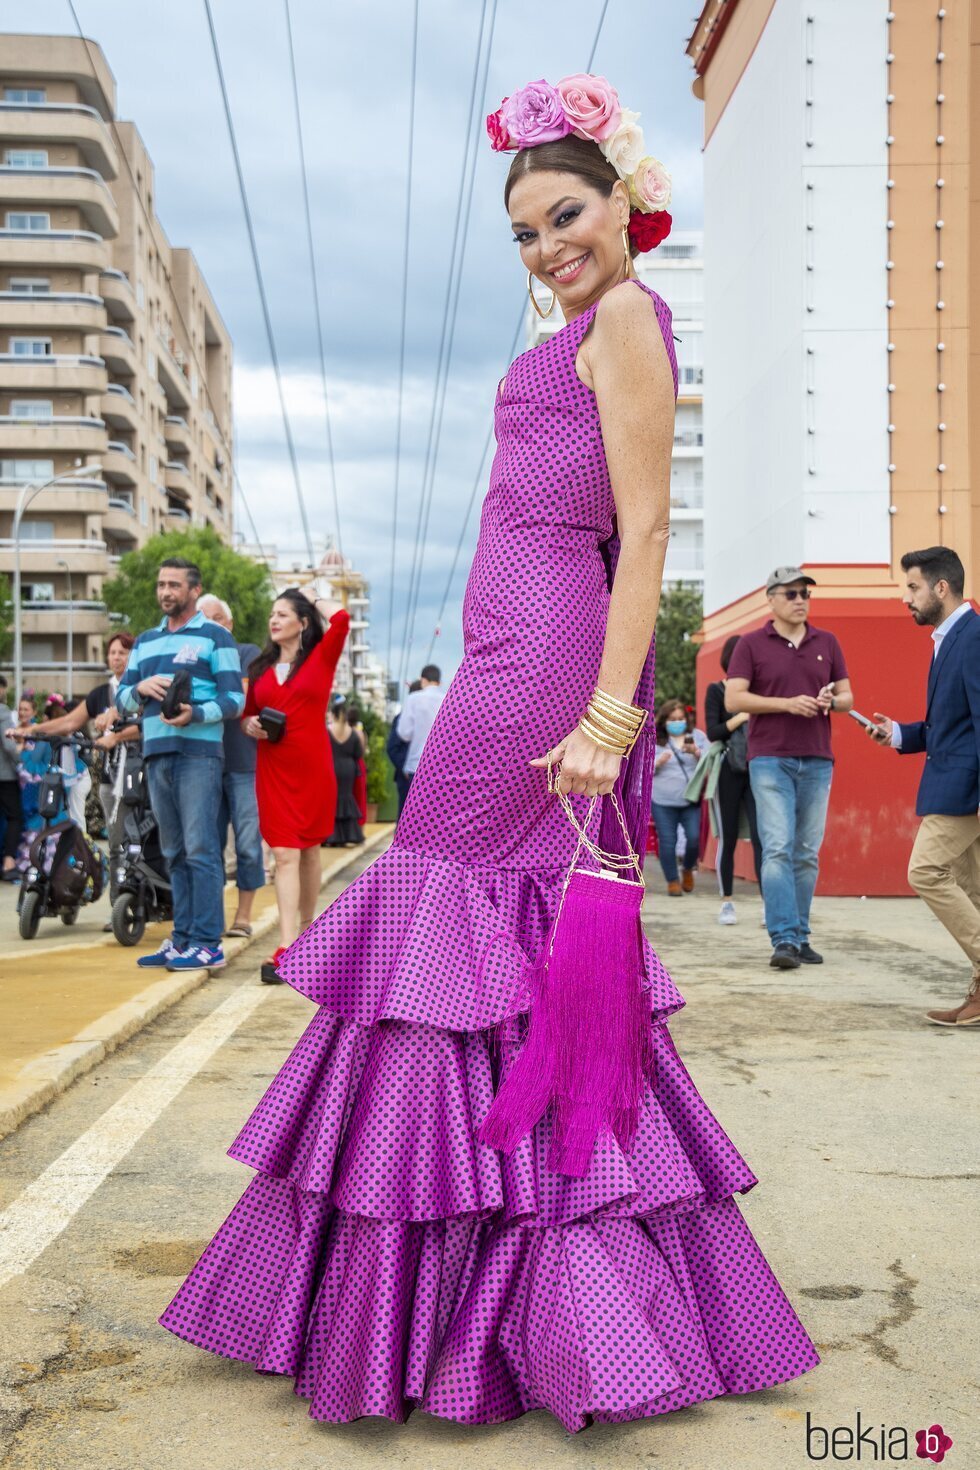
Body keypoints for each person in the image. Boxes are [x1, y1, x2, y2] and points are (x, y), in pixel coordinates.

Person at [161, 85, 819, 1429]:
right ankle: (480, 1293)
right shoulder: (588, 324)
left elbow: (642, 535)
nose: (544, 247)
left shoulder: (628, 316)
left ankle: (430, 1294)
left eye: (563, 215)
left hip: (543, 667)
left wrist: (609, 715)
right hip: (514, 651)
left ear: (622, 200)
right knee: (481, 942)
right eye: (522, 231)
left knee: (441, 920)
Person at [867, 547, 980, 1027]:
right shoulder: (949, 639)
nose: (904, 597)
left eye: (912, 587)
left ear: (940, 587)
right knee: (974, 888)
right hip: (955, 780)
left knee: (926, 871)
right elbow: (951, 726)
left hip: (963, 788)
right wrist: (898, 734)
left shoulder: (972, 638)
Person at [115, 558, 244, 973]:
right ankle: (183, 938)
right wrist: (139, 687)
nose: (165, 591)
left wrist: (196, 713)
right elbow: (120, 700)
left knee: (202, 848)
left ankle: (208, 943)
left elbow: (235, 701)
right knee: (173, 852)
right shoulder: (146, 641)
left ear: (194, 590)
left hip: (199, 755)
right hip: (156, 753)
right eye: (161, 584)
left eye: (174, 585)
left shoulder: (215, 637)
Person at [726, 567, 853, 970]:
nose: (801, 600)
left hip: (817, 756)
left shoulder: (827, 642)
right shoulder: (750, 644)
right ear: (772, 599)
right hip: (769, 758)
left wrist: (832, 698)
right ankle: (783, 938)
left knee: (806, 853)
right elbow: (734, 699)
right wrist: (788, 703)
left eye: (805, 594)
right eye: (792, 593)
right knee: (778, 847)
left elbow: (849, 697)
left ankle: (799, 935)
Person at [242, 589, 350, 984]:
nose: (274, 620)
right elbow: (249, 715)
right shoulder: (258, 669)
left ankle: (308, 931)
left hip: (312, 769)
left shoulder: (321, 658)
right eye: (272, 613)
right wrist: (249, 725)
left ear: (302, 623)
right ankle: (288, 944)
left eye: (283, 613)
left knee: (308, 851)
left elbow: (341, 620)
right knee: (284, 853)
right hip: (272, 768)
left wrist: (314, 595)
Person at [11, 633, 139, 916]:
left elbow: (149, 726)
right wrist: (29, 730)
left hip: (140, 774)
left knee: (140, 841)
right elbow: (69, 722)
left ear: (134, 656)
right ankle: (120, 906)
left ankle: (144, 896)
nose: (116, 657)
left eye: (123, 652)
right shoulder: (100, 694)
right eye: (113, 652)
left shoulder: (141, 689)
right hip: (110, 778)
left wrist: (117, 738)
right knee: (117, 845)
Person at [198, 594, 264, 940]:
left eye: (214, 619)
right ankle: (214, 918)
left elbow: (240, 698)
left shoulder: (247, 654)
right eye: (202, 621)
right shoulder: (195, 655)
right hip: (204, 762)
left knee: (248, 843)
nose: (207, 627)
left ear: (229, 624)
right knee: (206, 843)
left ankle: (243, 915)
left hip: (243, 763)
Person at [704, 635, 764, 925]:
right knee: (727, 837)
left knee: (763, 837)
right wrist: (741, 716)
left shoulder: (760, 692)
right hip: (728, 769)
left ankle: (769, 904)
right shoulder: (717, 690)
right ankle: (727, 902)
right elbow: (713, 731)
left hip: (758, 768)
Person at [650, 697, 708, 895]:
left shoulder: (697, 736)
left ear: (687, 718)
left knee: (693, 838)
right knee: (667, 841)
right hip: (662, 800)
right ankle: (672, 881)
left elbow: (710, 761)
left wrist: (696, 752)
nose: (677, 723)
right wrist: (658, 762)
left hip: (690, 799)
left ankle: (688, 868)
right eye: (672, 719)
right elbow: (642, 768)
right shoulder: (656, 739)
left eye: (680, 718)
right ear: (664, 721)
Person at [396, 664, 444, 796]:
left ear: (423, 680)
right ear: (439, 682)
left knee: (414, 812)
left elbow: (404, 733)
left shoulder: (413, 699)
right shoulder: (448, 698)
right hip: (442, 766)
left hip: (416, 764)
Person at [325, 697, 366, 848]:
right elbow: (359, 753)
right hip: (349, 769)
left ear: (333, 714)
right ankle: (350, 834)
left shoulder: (328, 730)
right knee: (347, 798)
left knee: (332, 800)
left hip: (332, 767)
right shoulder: (352, 731)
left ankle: (331, 835)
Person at [387, 678, 421, 815]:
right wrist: (405, 768)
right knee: (405, 817)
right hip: (406, 778)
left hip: (424, 777)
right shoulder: (401, 718)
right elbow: (393, 747)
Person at [0, 675, 23, 882]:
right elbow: (9, 745)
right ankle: (8, 862)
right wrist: (21, 757)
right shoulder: (3, 712)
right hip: (4, 776)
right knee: (15, 817)